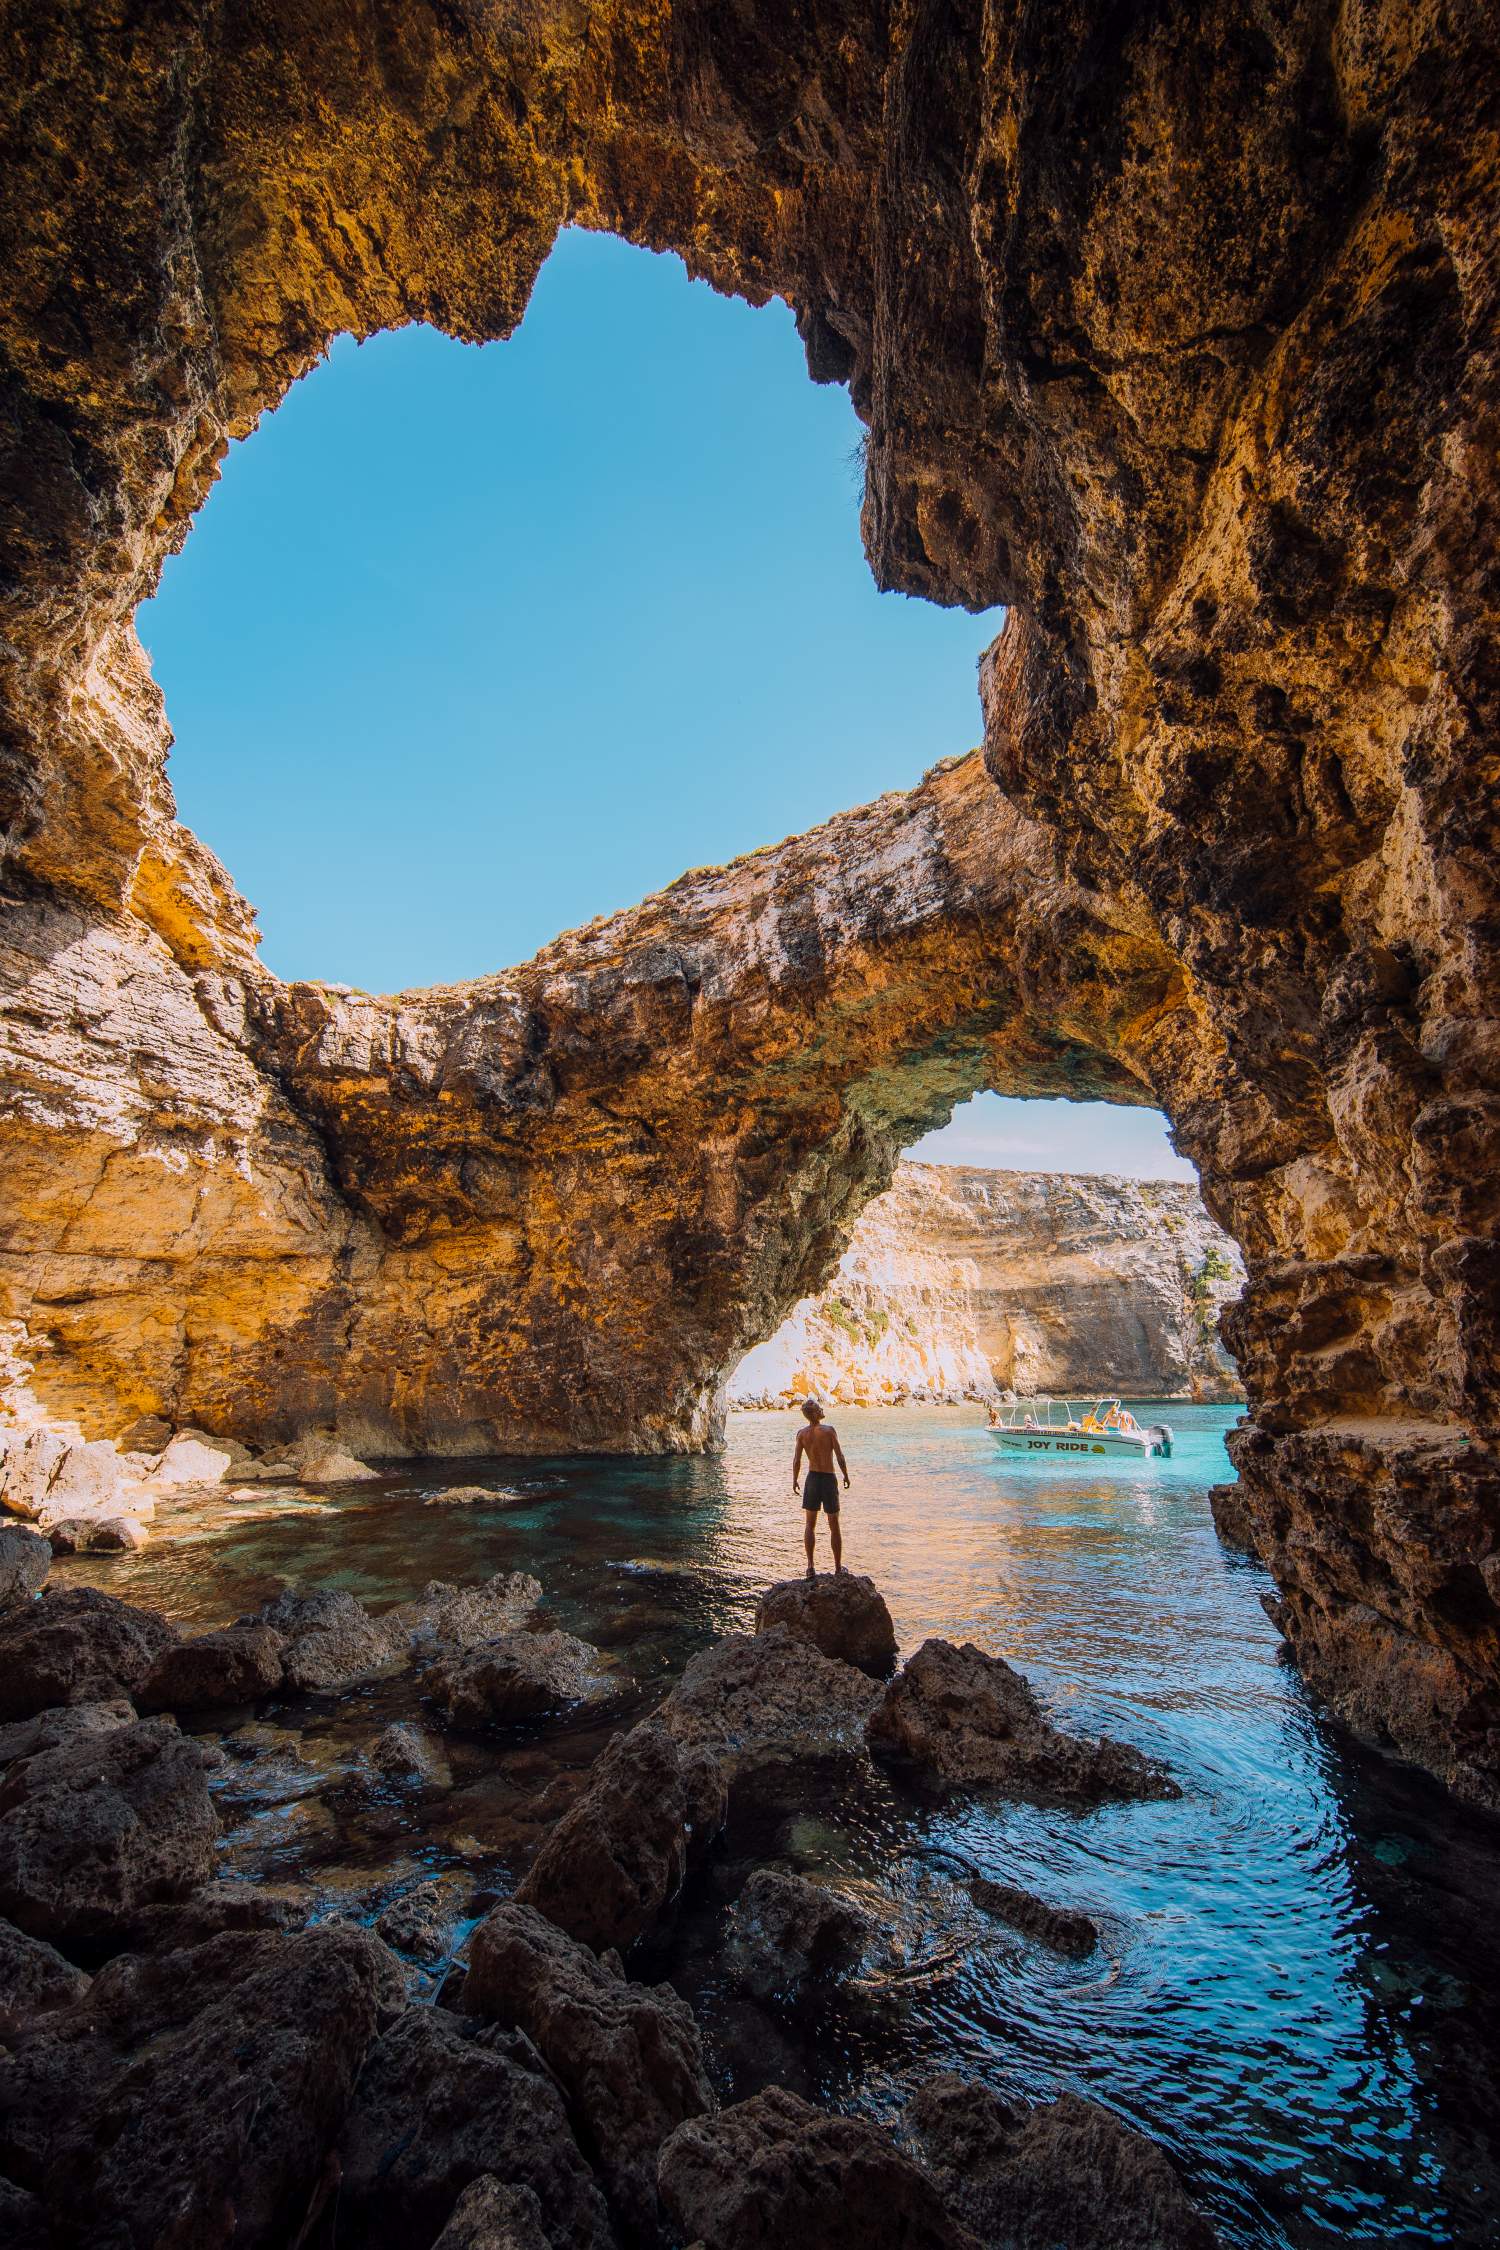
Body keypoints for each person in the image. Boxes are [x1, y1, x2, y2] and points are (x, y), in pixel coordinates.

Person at [792, 1398, 850, 1577]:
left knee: (810, 1525)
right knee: (834, 1524)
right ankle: (838, 1568)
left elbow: (797, 1460)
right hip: (828, 1479)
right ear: (816, 1413)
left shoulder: (802, 1434)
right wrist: (846, 1475)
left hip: (812, 1479)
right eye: (818, 1408)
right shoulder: (829, 1431)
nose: (821, 1409)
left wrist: (794, 1480)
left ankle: (810, 1567)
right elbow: (840, 1456)